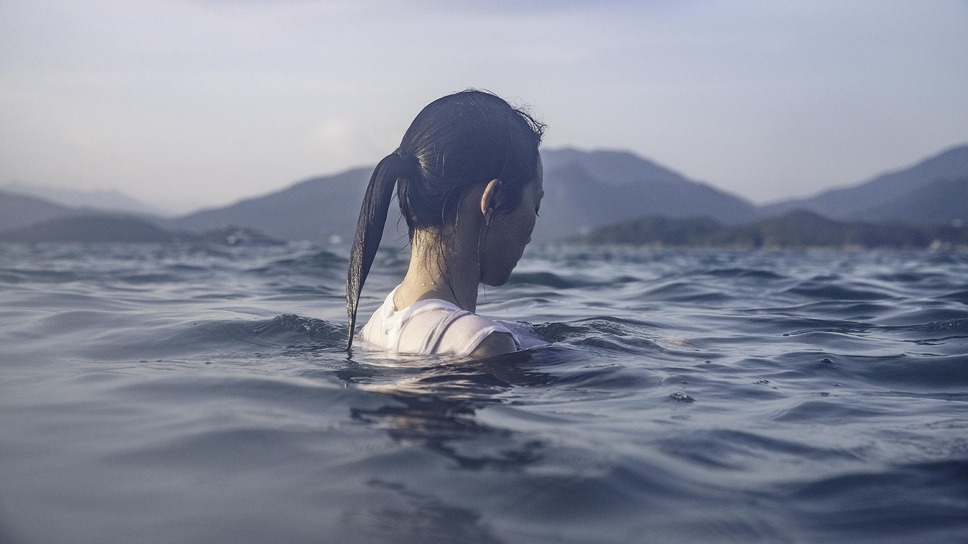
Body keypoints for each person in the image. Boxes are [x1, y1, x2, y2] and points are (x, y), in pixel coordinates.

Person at [346, 89, 546, 358]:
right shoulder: (483, 345)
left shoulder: (371, 330)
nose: (531, 232)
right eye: (535, 205)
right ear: (494, 201)